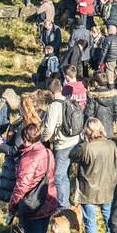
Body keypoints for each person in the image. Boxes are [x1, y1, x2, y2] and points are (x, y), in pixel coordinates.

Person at [8, 122, 58, 233]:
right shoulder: (48, 152)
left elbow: (22, 186)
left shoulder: (29, 158)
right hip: (47, 201)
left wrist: (12, 205)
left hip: (32, 205)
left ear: (25, 138)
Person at [69, 117, 117, 233]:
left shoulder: (85, 147)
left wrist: (80, 141)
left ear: (87, 131)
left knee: (90, 220)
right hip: (108, 187)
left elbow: (71, 155)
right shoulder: (111, 145)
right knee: (109, 216)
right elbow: (116, 163)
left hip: (88, 190)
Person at [41, 81, 83, 209]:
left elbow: (49, 130)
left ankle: (63, 206)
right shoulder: (69, 100)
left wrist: (42, 140)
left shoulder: (54, 106)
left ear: (50, 92)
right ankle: (70, 197)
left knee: (59, 176)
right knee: (67, 173)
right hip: (75, 142)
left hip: (62, 145)